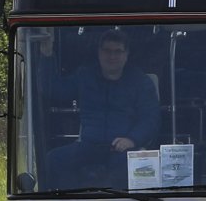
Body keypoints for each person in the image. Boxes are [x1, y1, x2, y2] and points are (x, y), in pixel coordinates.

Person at [40, 30, 159, 189]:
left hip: (123, 149)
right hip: (90, 145)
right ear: (99, 52)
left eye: (118, 51)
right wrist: (47, 55)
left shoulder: (140, 81)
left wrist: (132, 139)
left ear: (126, 54)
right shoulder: (85, 76)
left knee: (129, 169)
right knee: (53, 160)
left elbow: (150, 119)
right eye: (107, 50)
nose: (112, 56)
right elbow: (53, 90)